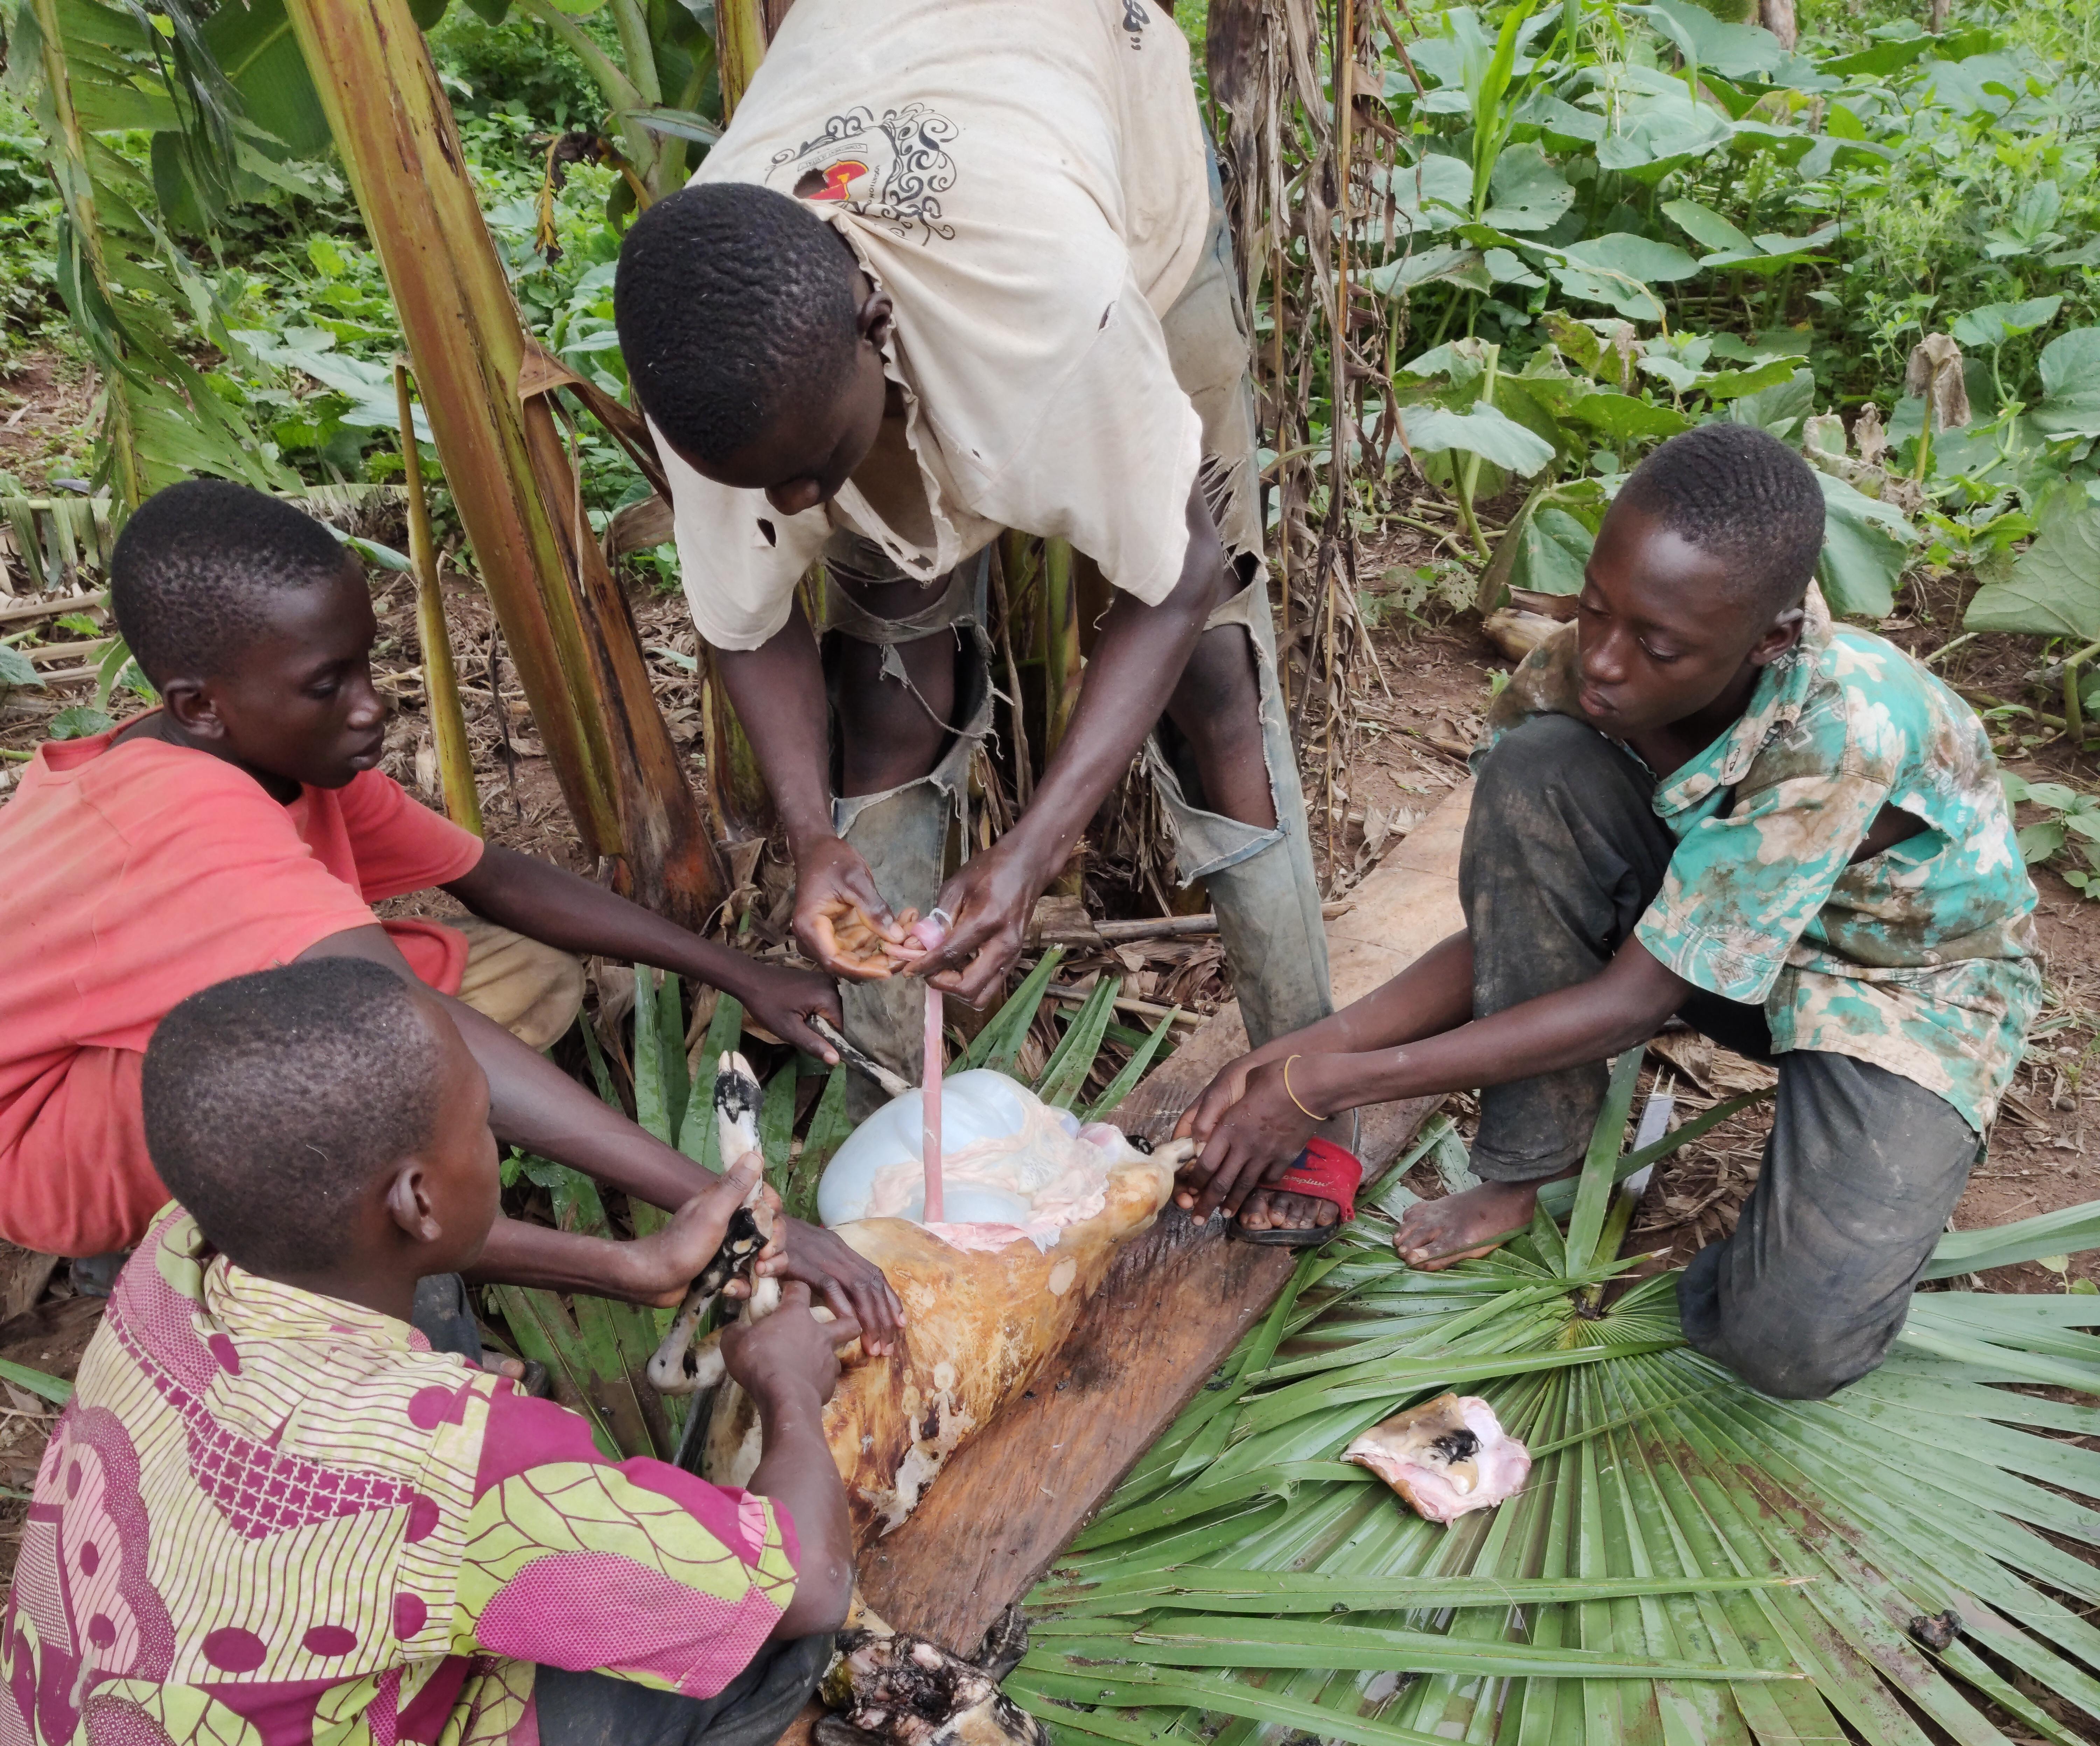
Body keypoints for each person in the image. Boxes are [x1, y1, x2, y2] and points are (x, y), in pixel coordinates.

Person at [0, 955, 859, 1746]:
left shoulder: (190, 1246)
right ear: (416, 1194)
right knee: (769, 1635)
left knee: (424, 1291)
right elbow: (808, 1575)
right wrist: (789, 1383)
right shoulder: (465, 1466)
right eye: (481, 1132)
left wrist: (628, 1263)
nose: (492, 1151)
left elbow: (413, 1235)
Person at [611, 0, 1338, 1195]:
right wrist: (809, 838)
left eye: (808, 466)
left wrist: (1034, 850)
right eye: (764, 484)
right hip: (893, 104)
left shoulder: (1060, 307)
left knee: (1212, 679)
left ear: (874, 326)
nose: (794, 500)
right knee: (886, 690)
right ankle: (891, 1131)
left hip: (1108, 156)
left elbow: (1180, 571)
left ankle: (1308, 1101)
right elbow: (748, 619)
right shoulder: (718, 370)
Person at [1172, 422, 2041, 1398]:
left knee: (1790, 1345)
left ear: (1771, 639)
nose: (1605, 664)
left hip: (1894, 986)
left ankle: (1818, 1232)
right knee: (1537, 768)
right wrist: (1301, 1057)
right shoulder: (1584, 671)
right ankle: (1523, 1170)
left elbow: (1632, 1001)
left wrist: (1328, 1087)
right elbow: (1522, 923)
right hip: (1701, 942)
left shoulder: (1841, 732)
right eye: (1594, 611)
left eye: (1658, 645)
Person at [0, 475, 893, 1359]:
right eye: (327, 684)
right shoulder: (186, 820)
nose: (371, 703)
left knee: (522, 978)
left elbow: (496, 879)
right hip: (51, 1137)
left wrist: (743, 975)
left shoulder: (261, 750)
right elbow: (402, 1031)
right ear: (201, 704)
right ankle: (211, 1256)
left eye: (366, 661)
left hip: (144, 1048)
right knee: (363, 1101)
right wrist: (728, 1203)